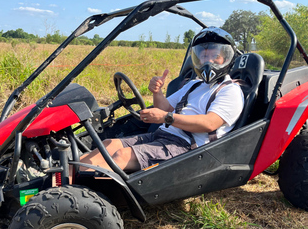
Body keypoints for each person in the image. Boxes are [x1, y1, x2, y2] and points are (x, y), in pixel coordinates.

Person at [80, 27, 244, 173]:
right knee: (110, 144)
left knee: (121, 156)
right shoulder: (194, 85)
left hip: (189, 147)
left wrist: (167, 118)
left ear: (227, 58)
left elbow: (210, 123)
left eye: (215, 56)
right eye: (204, 55)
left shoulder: (231, 91)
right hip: (163, 135)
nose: (208, 61)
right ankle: (66, 177)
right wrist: (157, 92)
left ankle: (87, 192)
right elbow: (165, 107)